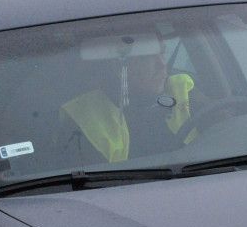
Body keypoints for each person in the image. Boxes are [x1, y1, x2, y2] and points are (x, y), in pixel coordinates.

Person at [58, 51, 194, 164]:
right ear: (118, 67)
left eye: (162, 53)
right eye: (147, 57)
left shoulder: (185, 92)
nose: (162, 65)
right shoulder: (80, 126)